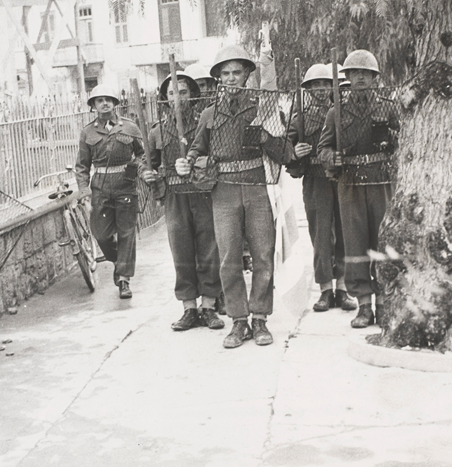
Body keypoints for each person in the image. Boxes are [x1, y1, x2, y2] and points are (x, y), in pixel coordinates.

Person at [176, 45, 290, 348]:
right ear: (217, 79)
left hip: (256, 185)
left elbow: (283, 150)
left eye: (236, 72)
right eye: (225, 73)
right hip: (223, 189)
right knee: (228, 258)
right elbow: (197, 149)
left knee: (263, 255)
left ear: (247, 74)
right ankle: (239, 322)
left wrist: (268, 135)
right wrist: (187, 160)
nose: (231, 78)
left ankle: (261, 319)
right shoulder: (210, 114)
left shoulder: (261, 107)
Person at [317, 50, 399, 328]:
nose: (360, 77)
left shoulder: (389, 107)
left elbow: (403, 142)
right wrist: (332, 158)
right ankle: (364, 305)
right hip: (349, 185)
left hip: (382, 183)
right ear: (347, 79)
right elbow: (322, 148)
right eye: (354, 73)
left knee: (384, 243)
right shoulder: (335, 112)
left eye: (366, 73)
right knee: (355, 245)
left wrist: (391, 140)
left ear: (375, 78)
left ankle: (385, 303)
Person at [143, 72, 224, 331]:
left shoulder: (206, 124)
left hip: (203, 194)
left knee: (209, 250)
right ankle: (189, 308)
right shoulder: (157, 132)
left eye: (183, 92)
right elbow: (149, 164)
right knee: (182, 252)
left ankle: (209, 306)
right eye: (171, 93)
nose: (177, 98)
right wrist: (146, 173)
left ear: (193, 95)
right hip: (175, 197)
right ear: (165, 100)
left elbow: (216, 156)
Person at [286, 63, 357, 313]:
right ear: (307, 89)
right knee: (321, 235)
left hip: (342, 178)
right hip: (316, 179)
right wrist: (294, 152)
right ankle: (325, 290)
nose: (320, 89)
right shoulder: (300, 119)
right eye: (315, 85)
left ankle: (342, 288)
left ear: (333, 87)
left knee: (345, 232)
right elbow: (285, 148)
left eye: (326, 84)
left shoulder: (345, 112)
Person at [75, 85, 144, 299]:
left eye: (108, 99)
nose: (104, 103)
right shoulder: (88, 132)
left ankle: (123, 279)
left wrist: (138, 170)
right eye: (99, 100)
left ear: (115, 103)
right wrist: (85, 191)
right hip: (100, 189)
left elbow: (142, 155)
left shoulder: (130, 127)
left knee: (126, 233)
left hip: (125, 185)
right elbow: (82, 166)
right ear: (94, 106)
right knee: (101, 235)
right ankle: (119, 261)